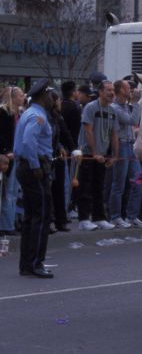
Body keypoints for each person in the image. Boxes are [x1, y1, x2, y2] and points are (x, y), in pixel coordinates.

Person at [13, 80, 55, 278]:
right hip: (34, 168)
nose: (51, 98)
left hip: (27, 167)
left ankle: (26, 264)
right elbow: (29, 141)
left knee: (31, 217)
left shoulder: (30, 113)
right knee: (42, 215)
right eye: (48, 95)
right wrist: (36, 166)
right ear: (42, 96)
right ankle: (36, 263)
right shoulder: (38, 115)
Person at [77, 80, 118, 231]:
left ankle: (99, 217)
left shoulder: (112, 111)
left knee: (99, 186)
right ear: (100, 92)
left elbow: (114, 134)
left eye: (113, 90)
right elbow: (88, 130)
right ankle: (83, 219)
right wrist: (94, 153)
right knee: (85, 186)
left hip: (102, 154)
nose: (112, 92)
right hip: (88, 153)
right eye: (108, 90)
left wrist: (114, 155)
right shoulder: (91, 107)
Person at [109, 79, 142, 228]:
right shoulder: (115, 108)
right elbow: (132, 120)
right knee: (119, 183)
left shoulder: (126, 106)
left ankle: (132, 216)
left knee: (138, 181)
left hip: (130, 144)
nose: (131, 89)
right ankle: (115, 216)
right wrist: (137, 102)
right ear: (119, 91)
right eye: (127, 88)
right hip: (122, 144)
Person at [47, 90, 73, 232]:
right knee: (49, 190)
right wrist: (59, 146)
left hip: (58, 156)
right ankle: (50, 220)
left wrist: (70, 148)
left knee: (59, 189)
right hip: (48, 156)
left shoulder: (57, 117)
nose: (60, 103)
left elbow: (64, 134)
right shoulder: (45, 117)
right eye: (58, 100)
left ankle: (60, 220)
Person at [0, 86, 25, 236]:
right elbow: (2, 134)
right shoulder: (4, 112)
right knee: (8, 191)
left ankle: (9, 222)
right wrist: (5, 151)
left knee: (13, 190)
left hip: (15, 155)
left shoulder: (18, 114)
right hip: (8, 155)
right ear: (13, 97)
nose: (23, 98)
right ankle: (5, 224)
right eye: (21, 95)